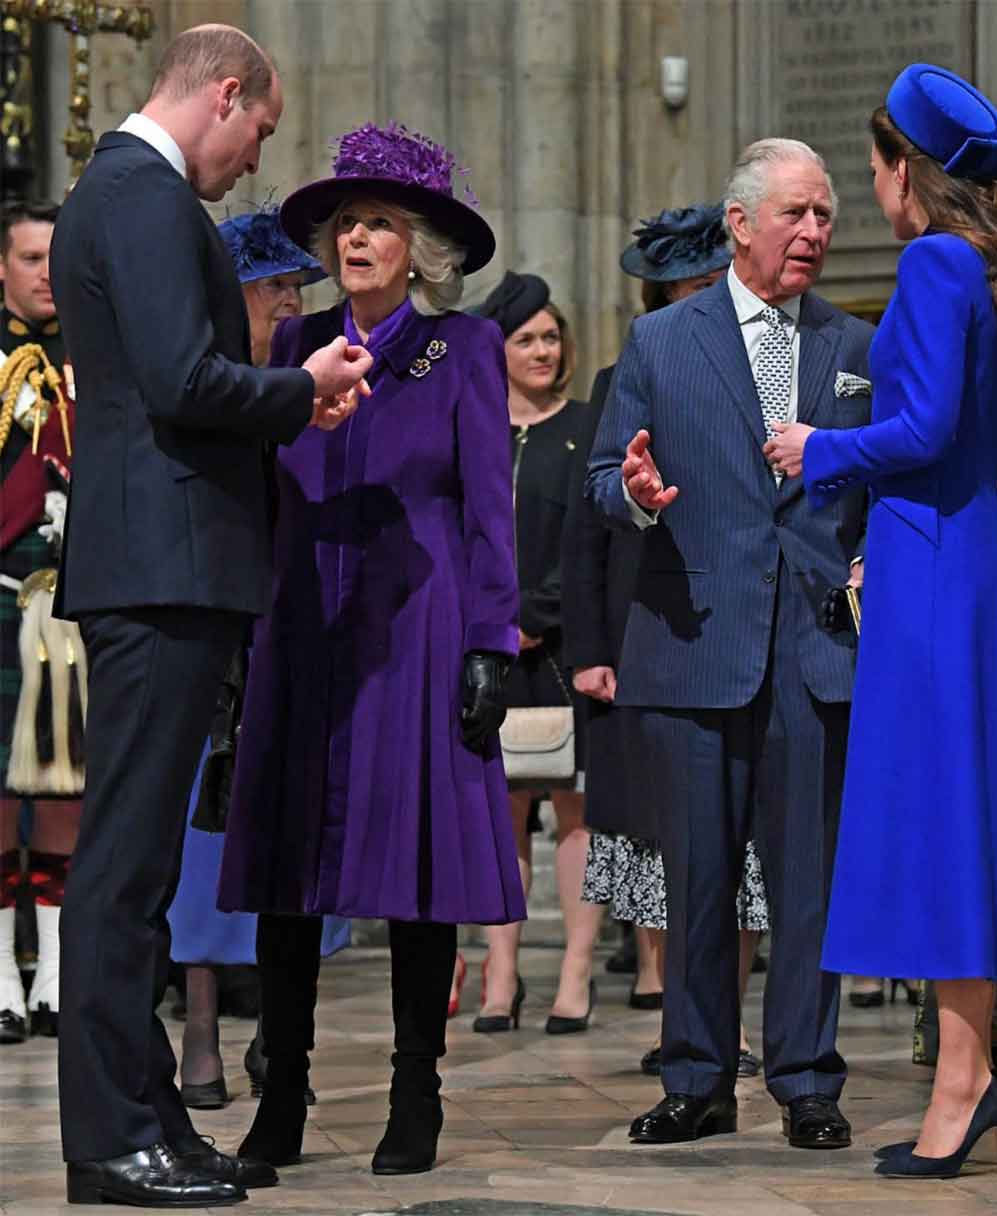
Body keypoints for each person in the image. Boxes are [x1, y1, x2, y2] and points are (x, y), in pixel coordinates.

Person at [49, 24, 371, 1208]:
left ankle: (151, 1121)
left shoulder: (131, 192)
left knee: (135, 862)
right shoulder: (142, 195)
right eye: (260, 133)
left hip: (163, 561)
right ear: (224, 95)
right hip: (158, 565)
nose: (251, 164)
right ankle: (106, 1141)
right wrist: (306, 386)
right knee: (124, 866)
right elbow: (184, 381)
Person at [765, 64, 997, 1178]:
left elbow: (930, 426)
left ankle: (963, 1081)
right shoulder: (982, 262)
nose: (874, 188)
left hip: (934, 567)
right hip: (954, 560)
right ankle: (965, 1071)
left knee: (940, 825)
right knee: (958, 821)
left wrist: (820, 447)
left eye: (878, 166)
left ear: (906, 171)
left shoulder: (936, 261)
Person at [217, 120, 525, 1177]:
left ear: (419, 247)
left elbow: (491, 507)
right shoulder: (289, 350)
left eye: (378, 223)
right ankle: (283, 1097)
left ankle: (415, 1092)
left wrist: (493, 637)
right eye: (346, 222)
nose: (356, 238)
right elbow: (257, 496)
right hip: (300, 625)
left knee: (417, 869)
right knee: (288, 870)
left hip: (420, 631)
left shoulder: (462, 350)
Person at [587, 138, 873, 1151]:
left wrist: (868, 575)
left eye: (826, 216)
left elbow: (881, 492)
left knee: (808, 886)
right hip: (693, 643)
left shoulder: (855, 348)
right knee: (697, 882)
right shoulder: (660, 344)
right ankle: (698, 1078)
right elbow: (599, 485)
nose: (813, 233)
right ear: (739, 223)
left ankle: (805, 1079)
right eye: (794, 213)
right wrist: (631, 492)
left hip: (813, 653)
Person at [565, 203, 768, 1078]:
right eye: (682, 288)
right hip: (657, 623)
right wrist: (590, 645)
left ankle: (738, 1018)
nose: (699, 302)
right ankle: (675, 1006)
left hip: (751, 623)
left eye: (707, 283)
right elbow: (594, 520)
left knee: (750, 851)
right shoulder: (633, 370)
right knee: (664, 837)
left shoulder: (774, 360)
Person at [166, 204, 351, 1112]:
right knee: (205, 845)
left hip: (299, 623)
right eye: (276, 286)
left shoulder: (314, 377)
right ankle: (198, 1029)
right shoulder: (207, 383)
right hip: (218, 640)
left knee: (297, 838)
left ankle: (284, 1038)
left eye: (291, 286)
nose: (290, 301)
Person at [469, 271, 598, 1035]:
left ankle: (575, 972)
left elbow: (591, 536)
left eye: (552, 336)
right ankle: (500, 970)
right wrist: (493, 617)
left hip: (562, 643)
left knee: (575, 810)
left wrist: (538, 614)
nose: (544, 350)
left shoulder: (584, 426)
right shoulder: (475, 427)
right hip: (488, 644)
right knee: (500, 810)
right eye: (527, 339)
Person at [0, 199, 80, 1046]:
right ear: (2, 266)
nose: (46, 272)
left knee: (65, 787)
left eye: (56, 257)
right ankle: (0, 981)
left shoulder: (94, 352)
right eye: (30, 258)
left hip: (72, 595)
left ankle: (56, 974)